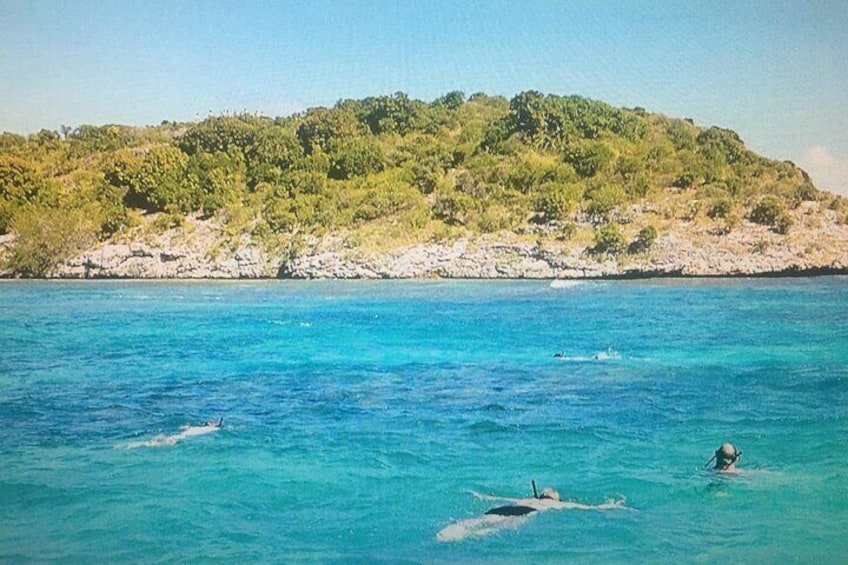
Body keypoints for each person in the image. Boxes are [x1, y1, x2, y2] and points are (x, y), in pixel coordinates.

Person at [436, 482, 629, 542]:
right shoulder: (552, 504)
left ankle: (453, 530)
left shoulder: (527, 498)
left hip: (501, 509)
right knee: (498, 527)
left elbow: (496, 499)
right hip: (525, 512)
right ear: (554, 498)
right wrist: (610, 507)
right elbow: (579, 507)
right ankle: (461, 536)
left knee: (480, 520)